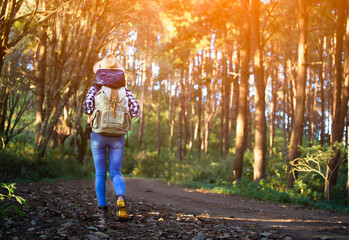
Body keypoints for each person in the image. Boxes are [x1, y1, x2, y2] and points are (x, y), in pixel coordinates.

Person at [83, 53, 140, 221]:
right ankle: (120, 197)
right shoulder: (125, 91)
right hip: (118, 136)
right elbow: (136, 110)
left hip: (98, 134)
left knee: (100, 174)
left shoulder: (95, 89)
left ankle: (102, 210)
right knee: (115, 172)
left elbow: (87, 107)